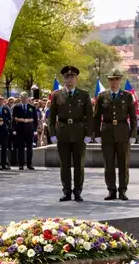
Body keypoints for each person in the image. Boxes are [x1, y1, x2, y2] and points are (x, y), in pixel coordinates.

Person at [48, 66, 93, 202]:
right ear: (64, 79)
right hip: (62, 131)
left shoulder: (84, 95)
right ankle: (67, 191)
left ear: (76, 78)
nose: (70, 79)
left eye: (72, 77)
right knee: (65, 164)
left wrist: (88, 134)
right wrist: (53, 133)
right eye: (67, 77)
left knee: (79, 164)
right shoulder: (56, 94)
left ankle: (78, 191)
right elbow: (52, 116)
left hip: (79, 132)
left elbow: (89, 116)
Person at [93, 69, 137, 201]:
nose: (114, 82)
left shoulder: (127, 96)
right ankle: (111, 190)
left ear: (120, 80)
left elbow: (133, 117)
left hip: (123, 132)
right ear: (109, 80)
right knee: (109, 164)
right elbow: (96, 117)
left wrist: (133, 134)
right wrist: (97, 133)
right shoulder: (102, 96)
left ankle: (122, 190)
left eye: (116, 79)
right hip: (107, 131)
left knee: (123, 163)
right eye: (112, 79)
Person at [13, 92, 38, 170]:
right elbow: (14, 118)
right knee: (21, 148)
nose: (24, 99)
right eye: (23, 98)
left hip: (29, 130)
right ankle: (21, 164)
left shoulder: (32, 107)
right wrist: (14, 129)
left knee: (29, 148)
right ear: (20, 98)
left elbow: (35, 118)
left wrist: (35, 129)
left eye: (26, 98)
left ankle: (29, 164)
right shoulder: (16, 107)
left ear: (28, 98)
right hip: (20, 129)